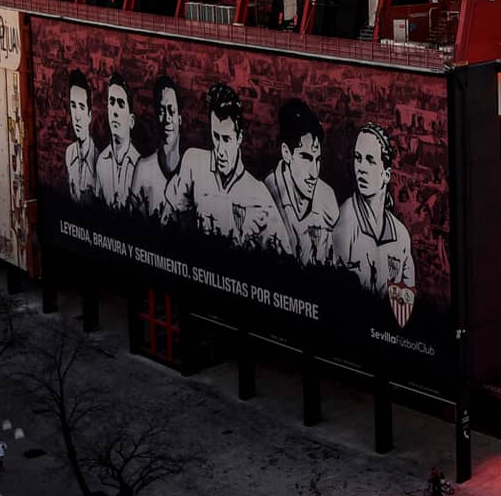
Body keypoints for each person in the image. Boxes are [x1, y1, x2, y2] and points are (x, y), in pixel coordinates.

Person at [160, 82, 275, 242]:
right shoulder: (193, 163)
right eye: (216, 136)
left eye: (227, 139)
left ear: (239, 138)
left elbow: (284, 257)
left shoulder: (259, 194)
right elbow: (168, 217)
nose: (220, 149)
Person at [333, 124, 415, 328]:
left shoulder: (401, 236)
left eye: (370, 160)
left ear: (386, 175)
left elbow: (405, 314)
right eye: (358, 158)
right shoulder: (344, 223)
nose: (361, 167)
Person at [266, 98, 338, 262]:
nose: (314, 172)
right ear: (286, 153)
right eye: (305, 158)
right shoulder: (266, 196)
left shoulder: (327, 199)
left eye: (317, 159)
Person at [131, 76, 183, 220]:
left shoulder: (192, 173)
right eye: (161, 111)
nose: (167, 119)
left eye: (171, 111)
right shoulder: (143, 169)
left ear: (179, 119)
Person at [95, 73, 140, 209]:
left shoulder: (140, 166)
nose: (115, 111)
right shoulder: (101, 162)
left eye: (121, 104)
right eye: (111, 102)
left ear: (131, 120)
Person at [63, 70, 98, 203]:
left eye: (82, 107)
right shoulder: (69, 153)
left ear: (89, 115)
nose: (77, 116)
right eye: (73, 106)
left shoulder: (98, 161)